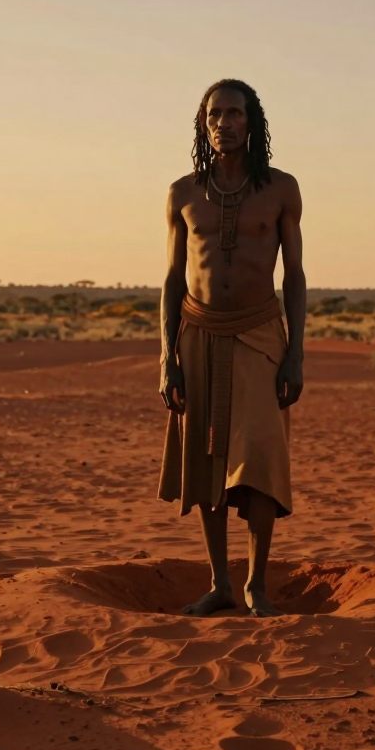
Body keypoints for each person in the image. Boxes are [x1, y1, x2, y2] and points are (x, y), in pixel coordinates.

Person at [157, 78, 306, 617]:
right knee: (208, 460)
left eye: (235, 113)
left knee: (260, 458)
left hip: (260, 333)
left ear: (253, 122)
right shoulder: (182, 193)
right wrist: (166, 359)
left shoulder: (282, 189)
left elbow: (294, 276)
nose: (225, 123)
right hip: (197, 335)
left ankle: (255, 586)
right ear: (204, 123)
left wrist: (296, 352)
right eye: (215, 114)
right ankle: (220, 583)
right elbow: (174, 279)